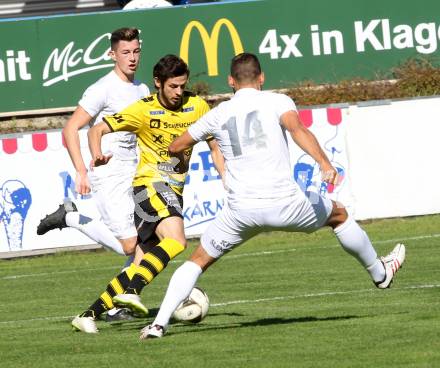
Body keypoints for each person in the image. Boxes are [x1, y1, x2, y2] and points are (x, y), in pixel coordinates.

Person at [140, 52, 406, 339]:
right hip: (286, 205)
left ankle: (158, 325)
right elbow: (297, 129)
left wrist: (178, 161)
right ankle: (380, 273)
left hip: (240, 212)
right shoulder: (278, 101)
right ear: (262, 78)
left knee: (198, 260)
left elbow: (176, 145)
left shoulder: (216, 114)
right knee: (339, 215)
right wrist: (324, 163)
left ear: (230, 81)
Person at [72, 54, 224, 333]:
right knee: (177, 240)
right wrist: (97, 155)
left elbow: (215, 147)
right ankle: (133, 290)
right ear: (158, 82)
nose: (179, 92)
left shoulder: (198, 106)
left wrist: (226, 177)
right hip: (149, 185)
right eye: (173, 87)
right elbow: (96, 129)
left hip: (172, 190)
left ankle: (87, 315)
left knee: (141, 259)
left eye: (182, 86)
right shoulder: (142, 109)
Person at [37, 27, 150, 322]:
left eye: (136, 51)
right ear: (112, 54)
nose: (132, 58)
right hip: (108, 172)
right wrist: (81, 170)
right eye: (125, 52)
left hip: (134, 171)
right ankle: (70, 217)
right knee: (131, 245)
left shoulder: (142, 90)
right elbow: (70, 128)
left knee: (144, 244)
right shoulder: (102, 88)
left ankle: (117, 305)